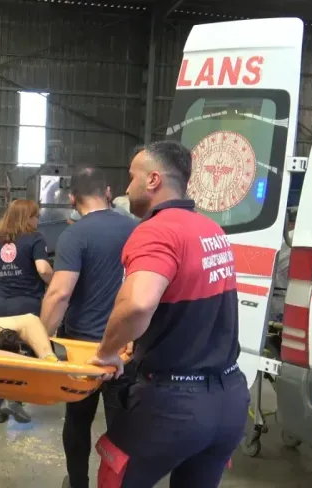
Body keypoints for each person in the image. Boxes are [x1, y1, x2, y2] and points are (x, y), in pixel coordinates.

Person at [88, 140, 249, 488]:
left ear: (153, 180)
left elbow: (138, 304)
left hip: (173, 404)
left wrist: (107, 351)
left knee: (115, 477)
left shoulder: (157, 230)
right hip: (229, 399)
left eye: (132, 177)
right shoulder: (211, 230)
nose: (127, 187)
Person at [39, 166, 137, 488]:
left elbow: (59, 293)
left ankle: (78, 482)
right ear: (108, 192)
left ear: (72, 198)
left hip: (82, 350)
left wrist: (40, 339)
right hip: (124, 347)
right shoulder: (135, 230)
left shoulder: (75, 235)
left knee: (78, 421)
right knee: (122, 427)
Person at [0, 199, 53, 424]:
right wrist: (57, 283)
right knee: (24, 351)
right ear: (27, 218)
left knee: (1, 351)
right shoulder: (35, 238)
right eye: (35, 216)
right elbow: (43, 268)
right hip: (25, 303)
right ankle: (14, 399)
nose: (37, 220)